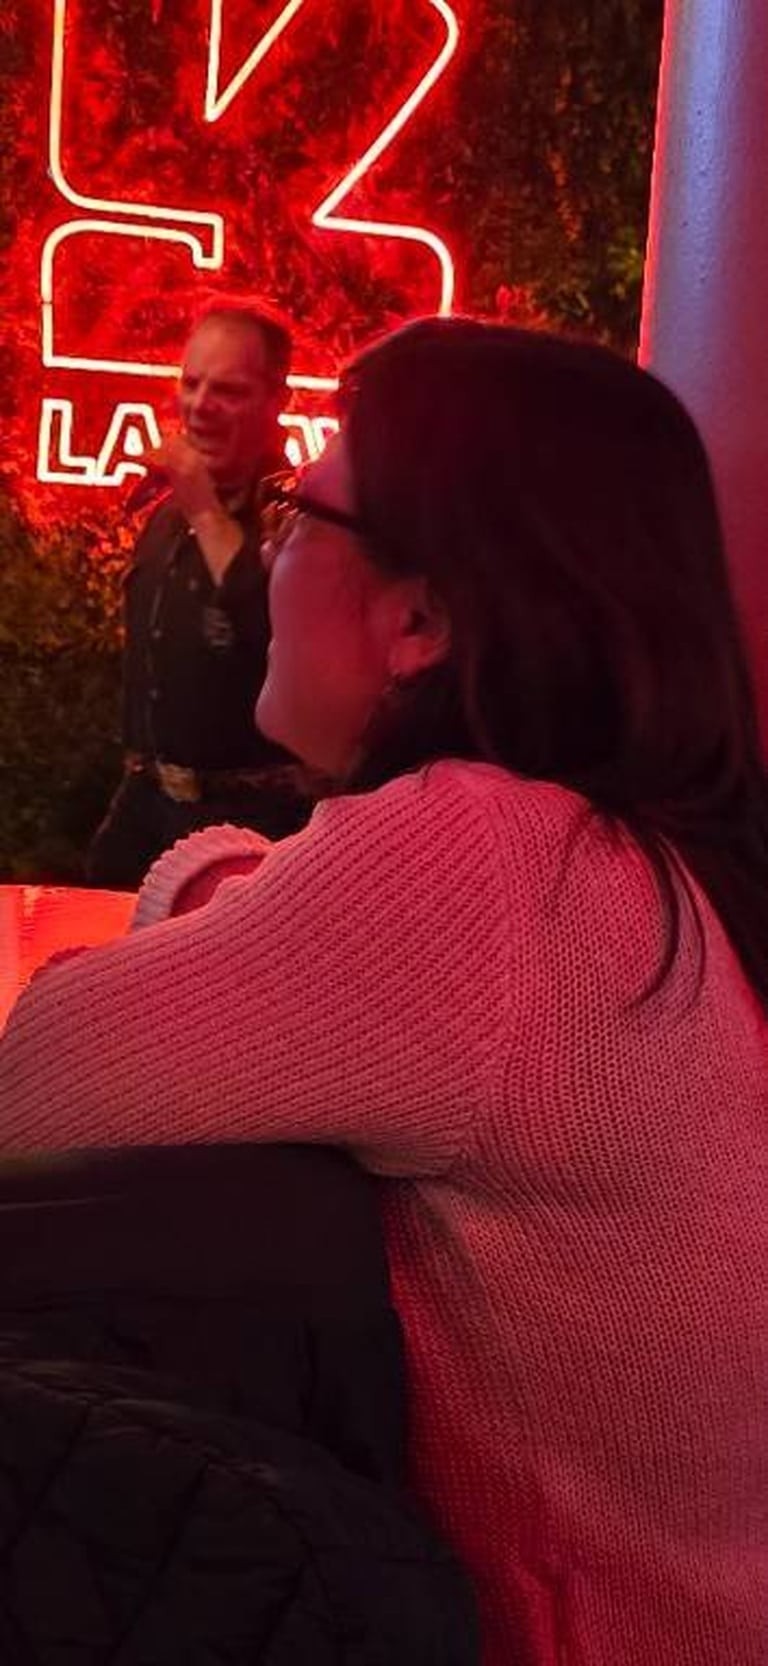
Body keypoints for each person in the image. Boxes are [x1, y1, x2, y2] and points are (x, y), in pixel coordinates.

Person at [3, 317, 768, 1666]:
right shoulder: (647, 870)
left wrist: (196, 893)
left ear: (419, 620)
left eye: (304, 513)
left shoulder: (478, 856)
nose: (276, 547)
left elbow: (43, 1071)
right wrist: (236, 885)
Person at [87, 299, 312, 889]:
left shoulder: (299, 515)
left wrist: (206, 511)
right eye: (191, 383)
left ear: (278, 399)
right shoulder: (169, 512)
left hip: (246, 827)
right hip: (146, 810)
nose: (200, 405)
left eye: (229, 390)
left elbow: (270, 631)